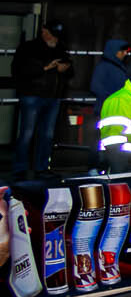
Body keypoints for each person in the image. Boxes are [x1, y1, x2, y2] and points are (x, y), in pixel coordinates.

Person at [10, 18, 73, 178]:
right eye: (50, 33)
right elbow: (19, 70)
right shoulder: (29, 48)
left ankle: (40, 167)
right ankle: (21, 168)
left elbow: (70, 70)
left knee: (46, 134)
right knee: (28, 133)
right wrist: (45, 68)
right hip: (33, 95)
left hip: (52, 96)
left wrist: (64, 69)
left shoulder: (60, 48)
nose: (52, 37)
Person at [90, 37, 131, 105]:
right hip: (107, 106)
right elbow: (95, 87)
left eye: (126, 51)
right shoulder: (103, 67)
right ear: (113, 51)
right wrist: (112, 98)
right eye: (122, 51)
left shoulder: (121, 67)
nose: (125, 53)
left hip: (119, 105)